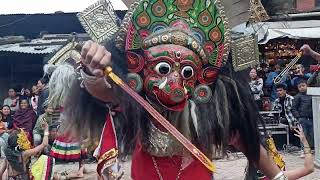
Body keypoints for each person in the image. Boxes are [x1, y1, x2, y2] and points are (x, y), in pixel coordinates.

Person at [59, 0, 287, 179]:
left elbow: (247, 141)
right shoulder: (138, 103)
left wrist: (279, 177)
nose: (174, 81)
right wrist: (94, 72)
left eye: (187, 71)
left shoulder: (207, 111)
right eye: (163, 67)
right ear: (142, 68)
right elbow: (107, 93)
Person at [292, 80, 314, 151]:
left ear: (307, 86)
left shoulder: (312, 96)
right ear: (298, 88)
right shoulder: (297, 97)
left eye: (303, 85)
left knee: (313, 134)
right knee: (303, 135)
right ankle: (303, 150)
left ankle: (314, 149)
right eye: (300, 87)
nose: (302, 88)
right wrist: (298, 117)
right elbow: (294, 108)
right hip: (302, 119)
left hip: (312, 118)